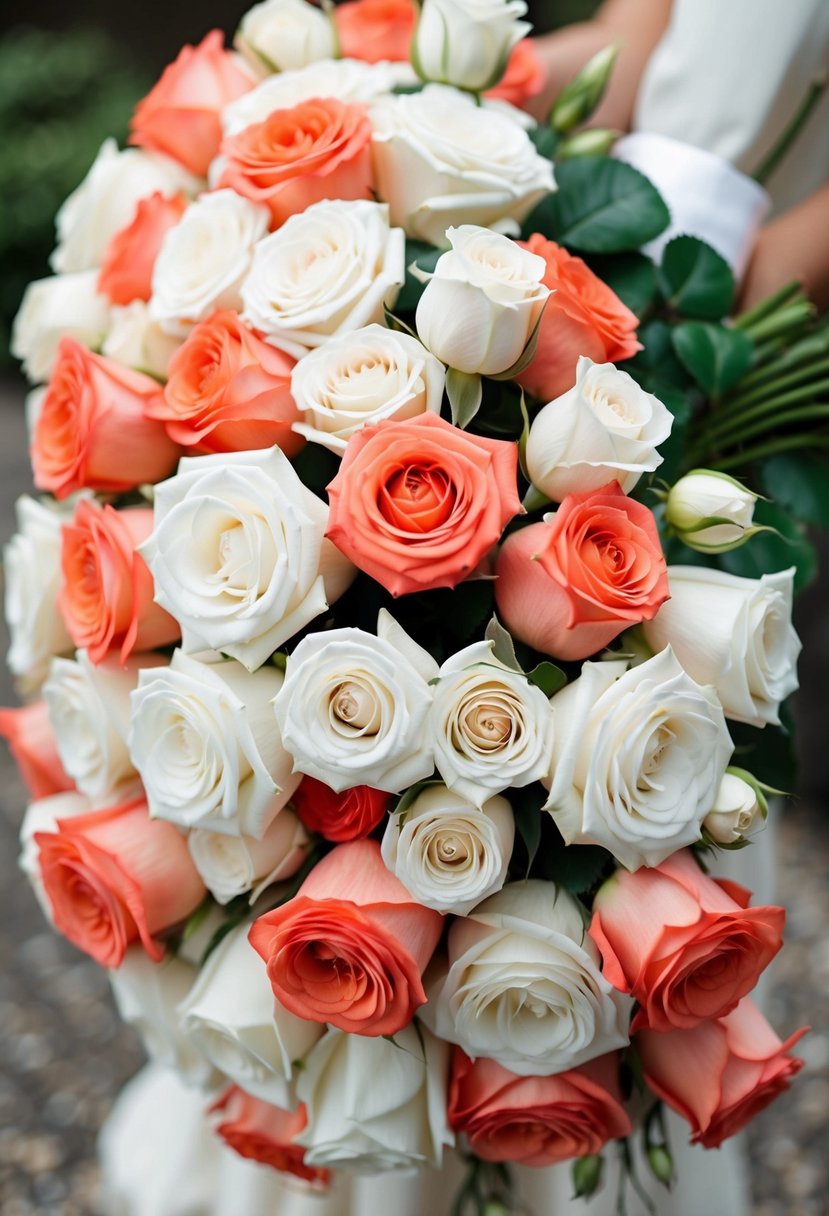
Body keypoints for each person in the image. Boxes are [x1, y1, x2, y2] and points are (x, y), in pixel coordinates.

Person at [529, 0, 829, 310]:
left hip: (770, 248)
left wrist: (757, 286)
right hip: (612, 196)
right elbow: (627, 41)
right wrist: (506, 77)